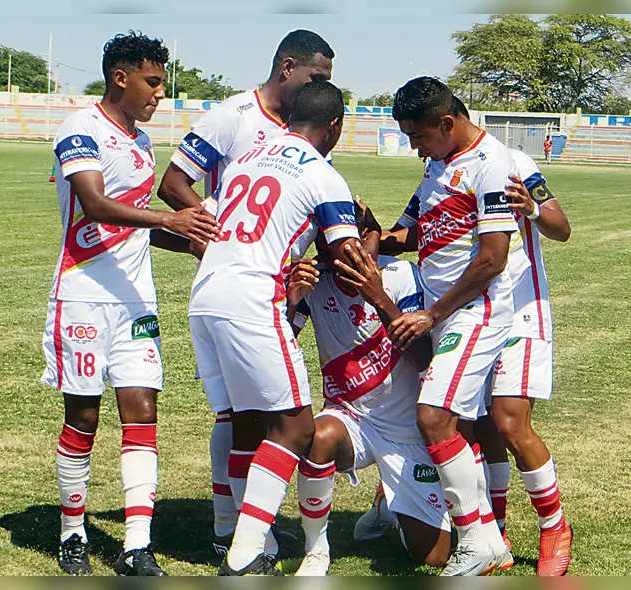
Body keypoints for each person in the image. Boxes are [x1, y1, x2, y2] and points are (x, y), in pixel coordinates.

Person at [42, 31, 218, 577]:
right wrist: (172, 218)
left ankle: (136, 546)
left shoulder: (142, 144)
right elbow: (94, 205)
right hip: (83, 298)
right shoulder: (81, 128)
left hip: (136, 300)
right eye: (153, 81)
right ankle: (73, 532)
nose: (159, 94)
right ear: (120, 77)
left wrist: (191, 243)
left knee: (142, 414)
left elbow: (137, 230)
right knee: (85, 417)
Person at [155, 30, 336, 557]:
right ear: (288, 67)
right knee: (240, 415)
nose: (322, 85)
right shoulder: (233, 115)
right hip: (242, 286)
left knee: (261, 414)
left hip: (273, 284)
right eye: (317, 76)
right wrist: (223, 240)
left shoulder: (298, 130)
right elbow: (172, 183)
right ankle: (227, 526)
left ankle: (242, 529)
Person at [188, 80, 360, 576]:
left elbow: (209, 222)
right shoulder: (324, 174)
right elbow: (345, 256)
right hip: (251, 299)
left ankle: (244, 534)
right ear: (334, 126)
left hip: (206, 294)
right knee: (295, 427)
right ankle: (244, 555)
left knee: (247, 422)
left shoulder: (247, 156)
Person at [384, 76, 529, 576]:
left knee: (434, 418)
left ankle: (475, 542)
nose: (414, 146)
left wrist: (434, 312)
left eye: (419, 136)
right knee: (451, 425)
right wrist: (364, 233)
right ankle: (491, 541)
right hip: (446, 311)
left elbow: (492, 259)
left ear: (447, 122)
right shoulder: (438, 168)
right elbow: (412, 234)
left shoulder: (492, 167)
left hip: (475, 312)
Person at [285, 217, 451, 576]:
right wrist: (292, 304)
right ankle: (316, 551)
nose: (335, 262)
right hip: (351, 418)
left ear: (367, 239)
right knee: (319, 437)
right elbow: (280, 346)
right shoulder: (315, 283)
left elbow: (423, 357)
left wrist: (378, 298)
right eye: (326, 251)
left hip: (407, 432)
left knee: (434, 556)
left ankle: (386, 506)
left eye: (345, 250)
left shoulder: (403, 276)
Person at [477, 149, 573, 576]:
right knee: (481, 424)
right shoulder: (439, 168)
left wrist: (532, 207)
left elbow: (561, 228)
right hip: (471, 312)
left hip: (521, 311)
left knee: (510, 422)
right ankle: (496, 529)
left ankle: (554, 527)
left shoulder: (515, 163)